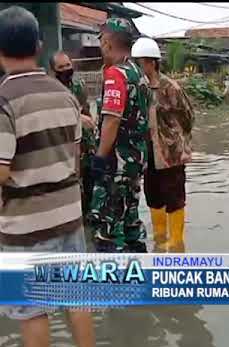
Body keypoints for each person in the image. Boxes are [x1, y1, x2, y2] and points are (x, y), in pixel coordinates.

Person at [0, 6, 95, 347]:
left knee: (32, 310)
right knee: (77, 299)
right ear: (39, 47)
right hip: (69, 216)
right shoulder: (65, 96)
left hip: (26, 225)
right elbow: (73, 158)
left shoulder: (4, 100)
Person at [88, 18, 151, 253]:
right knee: (130, 218)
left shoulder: (116, 74)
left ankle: (111, 279)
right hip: (135, 161)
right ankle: (139, 270)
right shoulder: (138, 72)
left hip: (116, 163)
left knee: (106, 226)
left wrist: (100, 157)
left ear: (107, 43)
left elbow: (112, 119)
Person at [131, 37, 195, 253]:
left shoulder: (170, 88)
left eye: (140, 62)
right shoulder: (138, 88)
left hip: (171, 154)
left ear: (151, 62)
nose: (137, 66)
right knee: (153, 196)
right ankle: (159, 240)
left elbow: (188, 117)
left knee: (175, 198)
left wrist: (178, 141)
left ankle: (177, 244)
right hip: (147, 153)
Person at [49, 51, 97, 219]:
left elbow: (86, 112)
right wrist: (78, 116)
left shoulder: (79, 85)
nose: (65, 69)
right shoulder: (50, 90)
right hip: (63, 144)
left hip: (85, 142)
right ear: (53, 70)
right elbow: (53, 115)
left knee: (90, 178)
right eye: (61, 67)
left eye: (68, 65)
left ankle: (89, 215)